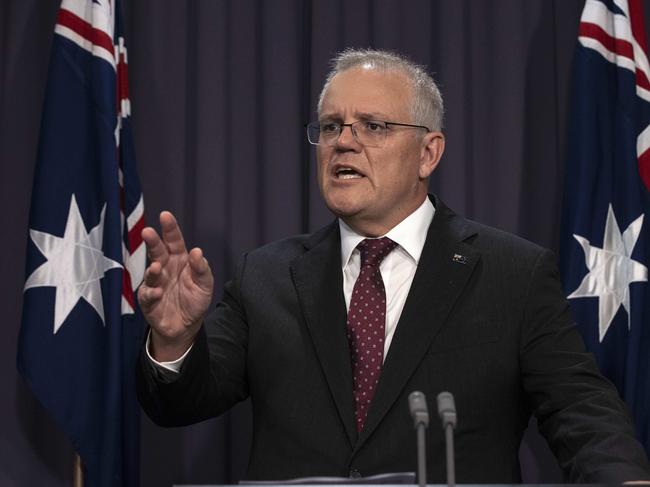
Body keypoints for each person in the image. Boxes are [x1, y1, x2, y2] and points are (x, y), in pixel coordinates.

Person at [136, 48, 650, 483]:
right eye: (332, 126)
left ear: (429, 153)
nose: (343, 141)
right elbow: (181, 404)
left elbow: (579, 410)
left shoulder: (512, 273)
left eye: (374, 126)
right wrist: (176, 342)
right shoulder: (265, 278)